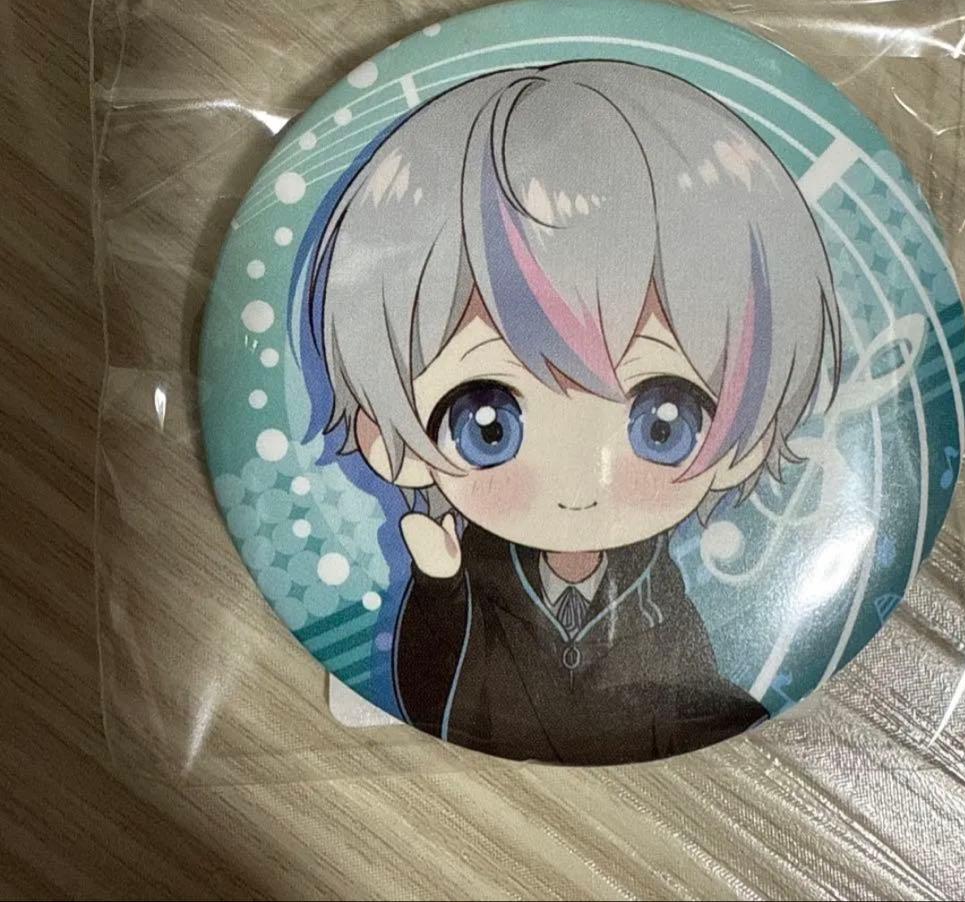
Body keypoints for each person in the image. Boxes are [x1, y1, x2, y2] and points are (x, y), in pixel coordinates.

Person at [297, 60, 840, 763]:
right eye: (488, 426)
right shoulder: (473, 574)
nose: (580, 485)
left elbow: (692, 687)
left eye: (662, 424)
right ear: (383, 438)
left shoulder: (654, 579)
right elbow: (422, 693)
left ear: (746, 438)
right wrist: (437, 586)